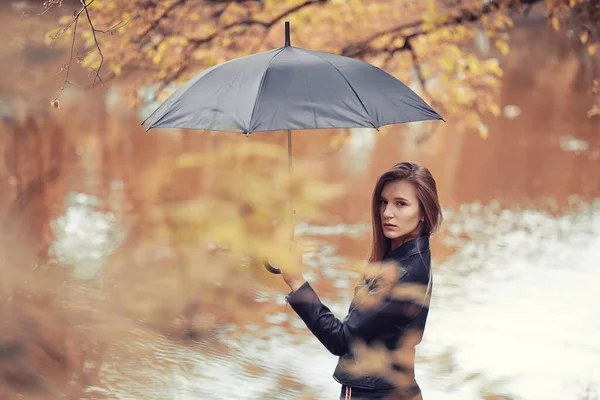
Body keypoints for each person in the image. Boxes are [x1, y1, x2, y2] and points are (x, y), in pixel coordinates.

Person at [268, 162, 443, 400]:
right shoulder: (414, 257)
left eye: (401, 204)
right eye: (383, 202)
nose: (387, 213)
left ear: (424, 212)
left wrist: (297, 282)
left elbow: (341, 340)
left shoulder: (400, 274)